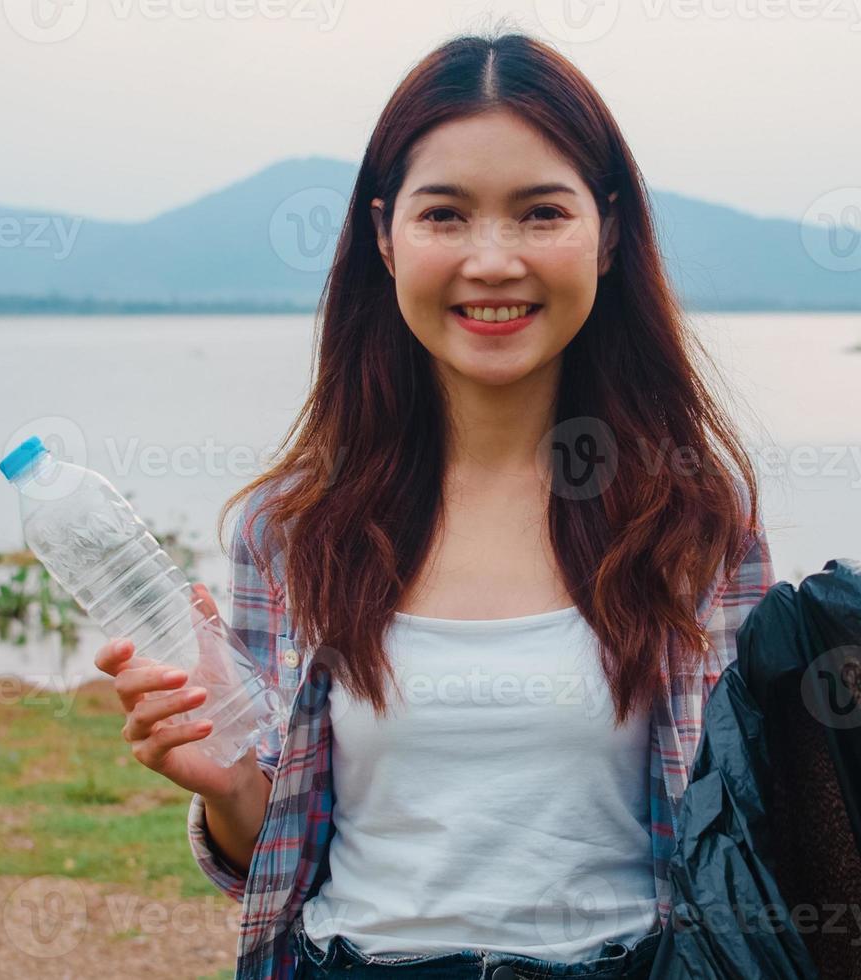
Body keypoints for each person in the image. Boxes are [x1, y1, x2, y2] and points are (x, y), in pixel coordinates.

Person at [94, 28, 774, 980]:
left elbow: (739, 841)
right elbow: (270, 863)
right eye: (445, 215)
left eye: (540, 214)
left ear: (608, 232)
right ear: (384, 235)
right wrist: (228, 790)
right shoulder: (294, 529)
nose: (492, 262)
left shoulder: (696, 522)